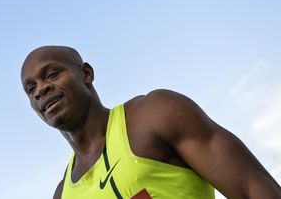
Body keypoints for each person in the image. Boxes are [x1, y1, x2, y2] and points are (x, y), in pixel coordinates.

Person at [20, 45, 281, 199]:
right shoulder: (63, 194)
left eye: (51, 74)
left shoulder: (154, 115)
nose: (40, 90)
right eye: (30, 89)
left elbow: (253, 188)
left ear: (86, 73)